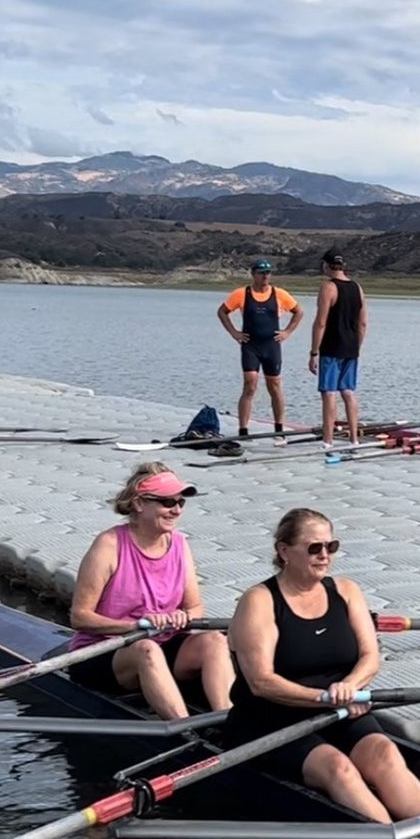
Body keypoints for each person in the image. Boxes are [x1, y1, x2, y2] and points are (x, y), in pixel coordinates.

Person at [223, 508, 420, 823]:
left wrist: (350, 687)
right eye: (313, 548)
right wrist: (324, 697)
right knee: (338, 768)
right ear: (284, 551)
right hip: (270, 718)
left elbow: (370, 657)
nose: (324, 555)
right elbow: (261, 682)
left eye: (330, 546)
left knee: (386, 755)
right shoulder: (259, 601)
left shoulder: (346, 591)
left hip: (339, 708)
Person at [67, 464, 235, 718]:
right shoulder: (109, 545)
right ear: (138, 504)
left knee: (214, 641)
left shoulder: (179, 543)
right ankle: (184, 729)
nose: (176, 509)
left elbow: (196, 607)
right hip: (104, 653)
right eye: (167, 502)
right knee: (147, 648)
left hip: (161, 642)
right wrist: (136, 626)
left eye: (181, 502)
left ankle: (232, 721)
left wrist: (185, 616)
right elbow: (80, 617)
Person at [216, 258, 303, 444]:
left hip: (271, 346)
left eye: (268, 273)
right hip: (250, 345)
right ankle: (243, 429)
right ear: (253, 274)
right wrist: (234, 333)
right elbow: (222, 311)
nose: (265, 277)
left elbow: (298, 312)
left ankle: (279, 428)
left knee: (275, 386)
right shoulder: (241, 294)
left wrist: (287, 332)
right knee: (250, 385)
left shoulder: (279, 294)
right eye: (262, 273)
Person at [308, 250, 367, 447]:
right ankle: (354, 439)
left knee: (329, 392)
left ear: (326, 265)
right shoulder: (357, 288)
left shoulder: (328, 287)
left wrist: (314, 352)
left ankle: (328, 440)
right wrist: (356, 346)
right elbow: (363, 323)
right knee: (348, 392)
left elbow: (320, 323)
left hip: (332, 347)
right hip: (351, 347)